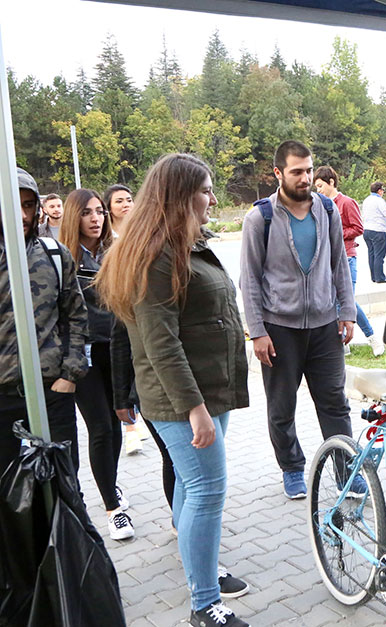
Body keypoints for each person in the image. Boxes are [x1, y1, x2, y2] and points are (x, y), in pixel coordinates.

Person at [97, 153, 251, 627]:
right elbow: (161, 345)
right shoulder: (156, 255)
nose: (213, 198)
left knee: (192, 486)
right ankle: (204, 605)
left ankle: (200, 568)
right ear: (179, 196)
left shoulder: (187, 245)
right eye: (204, 190)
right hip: (184, 400)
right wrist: (194, 409)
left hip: (209, 390)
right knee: (207, 490)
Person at [240, 140, 357, 500]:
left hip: (325, 327)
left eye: (309, 170)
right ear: (278, 173)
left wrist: (347, 312)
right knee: (281, 406)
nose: (305, 177)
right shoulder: (260, 218)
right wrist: (257, 331)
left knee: (335, 403)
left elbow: (340, 265)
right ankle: (292, 468)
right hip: (279, 329)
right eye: (296, 172)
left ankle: (346, 472)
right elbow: (249, 279)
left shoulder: (327, 210)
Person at [0, 168, 87, 475]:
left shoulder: (54, 254)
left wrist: (70, 375)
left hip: (52, 393)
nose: (22, 215)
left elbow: (75, 315)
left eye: (27, 205)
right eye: (12, 204)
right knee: (11, 503)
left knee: (64, 487)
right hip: (3, 400)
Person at [59, 188, 135, 540]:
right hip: (81, 353)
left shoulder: (115, 250)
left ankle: (111, 484)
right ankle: (112, 508)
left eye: (99, 211)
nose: (96, 218)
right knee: (100, 428)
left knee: (116, 425)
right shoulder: (61, 259)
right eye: (87, 212)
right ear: (74, 217)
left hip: (116, 349)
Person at [314, 166, 384, 357]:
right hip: (326, 259)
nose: (318, 190)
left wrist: (335, 234)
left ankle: (372, 338)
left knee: (347, 301)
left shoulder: (346, 203)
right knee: (335, 301)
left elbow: (358, 228)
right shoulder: (319, 205)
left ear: (331, 182)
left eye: (320, 186)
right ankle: (342, 343)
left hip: (347, 257)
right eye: (316, 187)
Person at [103, 184, 147, 455]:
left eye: (129, 199)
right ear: (109, 207)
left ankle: (135, 424)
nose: (126, 204)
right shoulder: (108, 241)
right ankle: (130, 428)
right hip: (117, 314)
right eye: (119, 201)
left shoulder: (141, 233)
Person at [361, 181, 386, 283]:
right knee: (379, 255)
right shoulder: (379, 201)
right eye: (382, 190)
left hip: (367, 229)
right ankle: (380, 277)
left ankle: (373, 276)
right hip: (378, 230)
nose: (383, 192)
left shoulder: (366, 200)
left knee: (371, 254)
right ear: (379, 191)